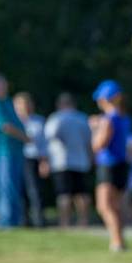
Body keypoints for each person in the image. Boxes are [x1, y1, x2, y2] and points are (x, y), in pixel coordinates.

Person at [90, 79, 132, 251]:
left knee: (104, 206)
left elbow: (99, 145)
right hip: (122, 165)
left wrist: (95, 128)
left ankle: (116, 241)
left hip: (108, 165)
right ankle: (120, 240)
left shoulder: (108, 119)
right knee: (116, 206)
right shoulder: (125, 118)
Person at [44, 93, 93, 227]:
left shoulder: (57, 118)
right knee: (81, 193)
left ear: (60, 104)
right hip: (81, 160)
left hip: (61, 161)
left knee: (64, 193)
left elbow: (49, 136)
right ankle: (83, 221)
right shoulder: (82, 118)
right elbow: (89, 142)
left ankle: (64, 222)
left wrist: (46, 160)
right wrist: (90, 158)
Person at [0, 73, 28, 228]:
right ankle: (6, 222)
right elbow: (6, 127)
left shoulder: (8, 102)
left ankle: (14, 221)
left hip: (16, 152)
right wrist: (25, 137)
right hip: (4, 152)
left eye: (3, 84)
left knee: (15, 187)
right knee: (7, 187)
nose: (3, 87)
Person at [13, 92, 47, 227]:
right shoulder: (13, 121)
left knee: (34, 190)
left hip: (33, 159)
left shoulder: (39, 121)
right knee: (17, 190)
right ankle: (22, 220)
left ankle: (39, 221)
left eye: (27, 104)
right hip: (16, 158)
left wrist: (44, 161)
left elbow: (44, 144)